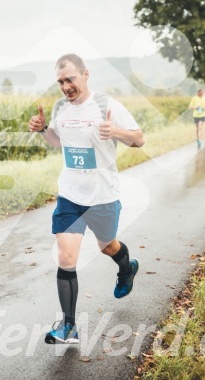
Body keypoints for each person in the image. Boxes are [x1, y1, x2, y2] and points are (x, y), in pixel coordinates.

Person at [28, 53, 145, 345]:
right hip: (70, 195)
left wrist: (114, 131)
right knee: (66, 257)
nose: (66, 86)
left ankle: (126, 268)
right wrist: (44, 129)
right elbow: (59, 142)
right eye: (60, 81)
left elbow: (139, 139)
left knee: (107, 246)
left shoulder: (106, 105)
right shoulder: (59, 107)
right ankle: (69, 327)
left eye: (71, 79)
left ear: (86, 74)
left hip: (103, 196)